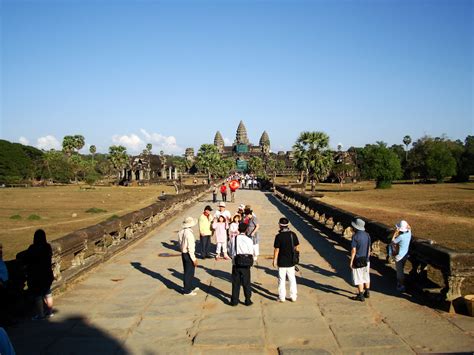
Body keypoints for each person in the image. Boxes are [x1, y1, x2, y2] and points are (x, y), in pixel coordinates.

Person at [25, 229, 55, 320]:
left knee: (37, 294)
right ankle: (49, 312)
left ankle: (40, 314)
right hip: (47, 273)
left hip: (36, 275)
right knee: (48, 292)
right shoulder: (47, 247)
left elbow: (27, 259)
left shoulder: (32, 248)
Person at [273, 217, 299, 302]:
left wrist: (274, 260)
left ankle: (282, 297)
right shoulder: (293, 234)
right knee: (292, 279)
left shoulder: (279, 236)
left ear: (280, 225)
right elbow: (297, 247)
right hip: (291, 260)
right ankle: (293, 296)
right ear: (287, 225)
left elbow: (277, 249)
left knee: (281, 280)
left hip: (282, 261)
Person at [229, 223, 254, 306]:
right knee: (246, 282)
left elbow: (231, 251)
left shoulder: (234, 239)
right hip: (246, 263)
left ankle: (234, 301)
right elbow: (251, 252)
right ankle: (247, 300)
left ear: (238, 229)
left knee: (236, 283)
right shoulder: (249, 240)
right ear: (246, 230)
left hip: (236, 263)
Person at [349, 218, 371, 302]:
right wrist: (367, 258)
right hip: (366, 259)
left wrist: (351, 262)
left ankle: (361, 295)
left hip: (358, 259)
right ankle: (367, 291)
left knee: (359, 278)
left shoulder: (355, 236)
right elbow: (369, 249)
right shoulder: (367, 235)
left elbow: (353, 250)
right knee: (366, 276)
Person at [178, 217, 198, 296]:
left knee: (187, 271)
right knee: (189, 272)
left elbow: (180, 242)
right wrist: (194, 259)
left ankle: (189, 286)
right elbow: (191, 248)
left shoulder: (181, 232)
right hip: (188, 254)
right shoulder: (189, 234)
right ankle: (187, 290)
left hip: (183, 253)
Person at [391, 220, 412, 292]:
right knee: (402, 269)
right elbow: (409, 228)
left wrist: (395, 232)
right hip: (405, 255)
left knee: (399, 272)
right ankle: (400, 284)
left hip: (399, 257)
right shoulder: (409, 234)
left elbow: (393, 241)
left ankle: (401, 285)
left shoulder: (401, 237)